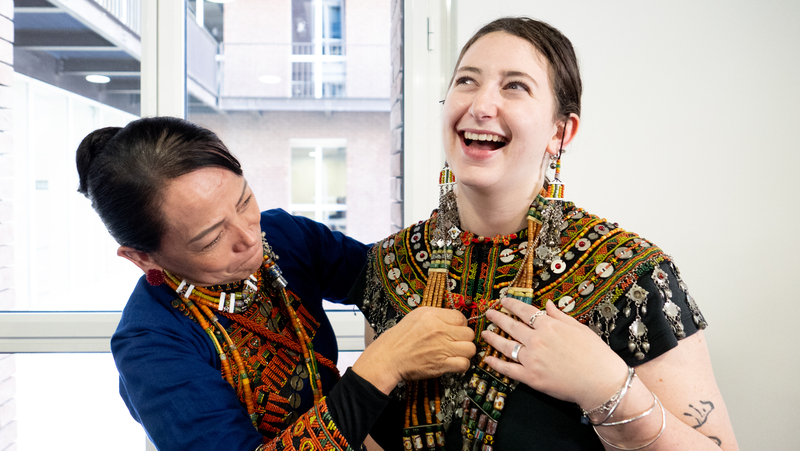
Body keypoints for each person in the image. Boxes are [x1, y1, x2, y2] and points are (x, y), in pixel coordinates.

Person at [354, 17, 738, 450]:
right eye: (466, 80)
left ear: (560, 132)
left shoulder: (633, 275)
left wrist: (606, 387)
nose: (481, 104)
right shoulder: (389, 264)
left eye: (514, 86)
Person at [75, 117, 476, 451]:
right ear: (141, 257)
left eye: (244, 201)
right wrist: (383, 364)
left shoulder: (282, 236)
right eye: (211, 238)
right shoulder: (152, 344)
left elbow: (383, 275)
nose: (249, 238)